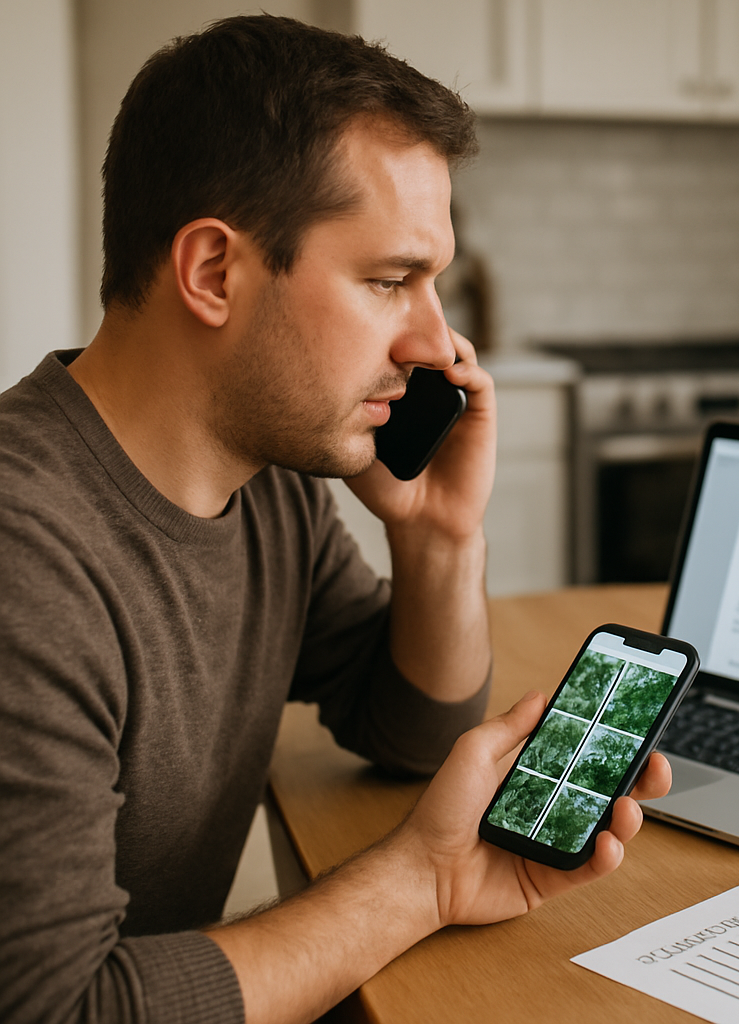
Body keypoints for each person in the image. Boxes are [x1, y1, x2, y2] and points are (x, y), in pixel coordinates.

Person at [0, 15, 671, 1024]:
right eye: (390, 280)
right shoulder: (25, 554)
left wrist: (437, 536)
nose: (438, 341)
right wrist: (421, 881)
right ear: (214, 272)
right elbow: (63, 1012)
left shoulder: (262, 484)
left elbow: (406, 727)